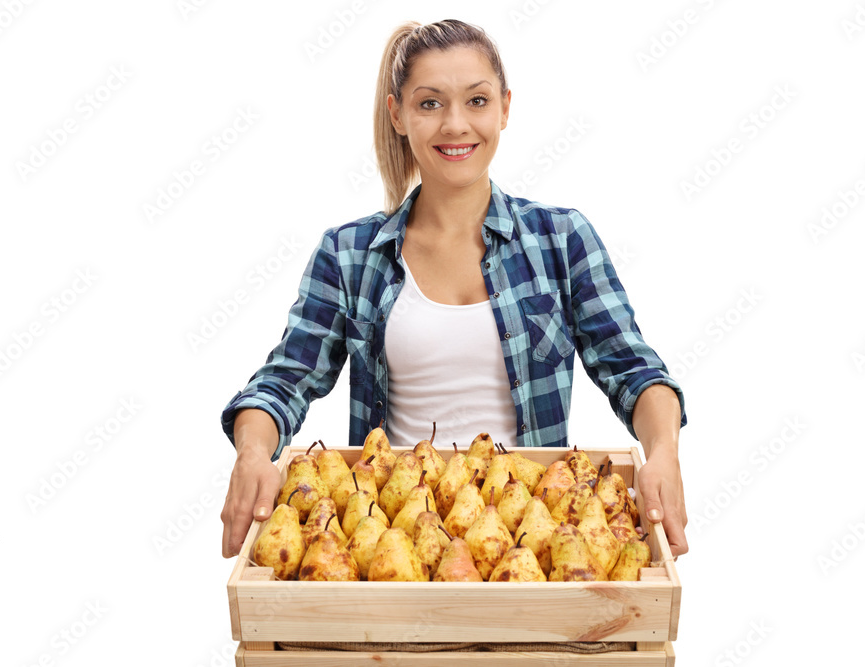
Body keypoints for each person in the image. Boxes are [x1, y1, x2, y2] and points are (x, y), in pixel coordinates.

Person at [219, 19, 688, 559]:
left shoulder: (562, 240)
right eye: (429, 104)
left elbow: (633, 369)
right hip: (395, 542)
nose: (456, 124)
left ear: (506, 108)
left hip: (531, 547)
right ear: (397, 114)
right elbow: (285, 381)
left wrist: (663, 453)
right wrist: (253, 451)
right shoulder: (348, 253)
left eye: (477, 101)